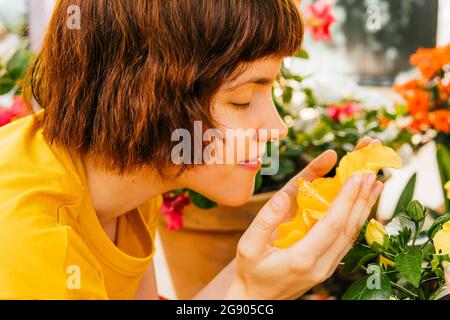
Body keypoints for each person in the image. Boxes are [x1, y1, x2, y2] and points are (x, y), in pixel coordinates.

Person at [0, 0, 385, 299]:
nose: (277, 128)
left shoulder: (127, 178)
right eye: (243, 99)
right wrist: (253, 294)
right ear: (144, 98)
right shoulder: (27, 247)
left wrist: (251, 274)